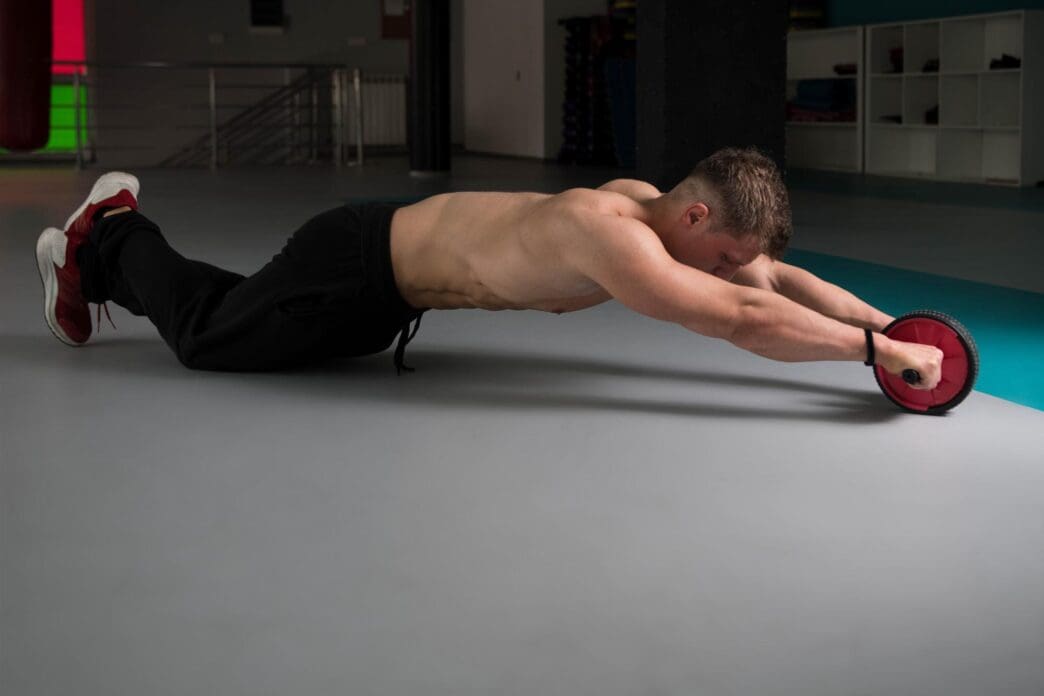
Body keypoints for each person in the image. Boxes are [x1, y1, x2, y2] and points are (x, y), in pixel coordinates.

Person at [35, 147, 943, 389]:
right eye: (727, 256)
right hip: (356, 261)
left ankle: (106, 258)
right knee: (206, 340)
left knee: (247, 317)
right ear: (697, 216)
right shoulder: (611, 232)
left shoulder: (651, 208)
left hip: (379, 296)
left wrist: (889, 331)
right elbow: (744, 320)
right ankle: (114, 234)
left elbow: (776, 284)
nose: (736, 271)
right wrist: (871, 361)